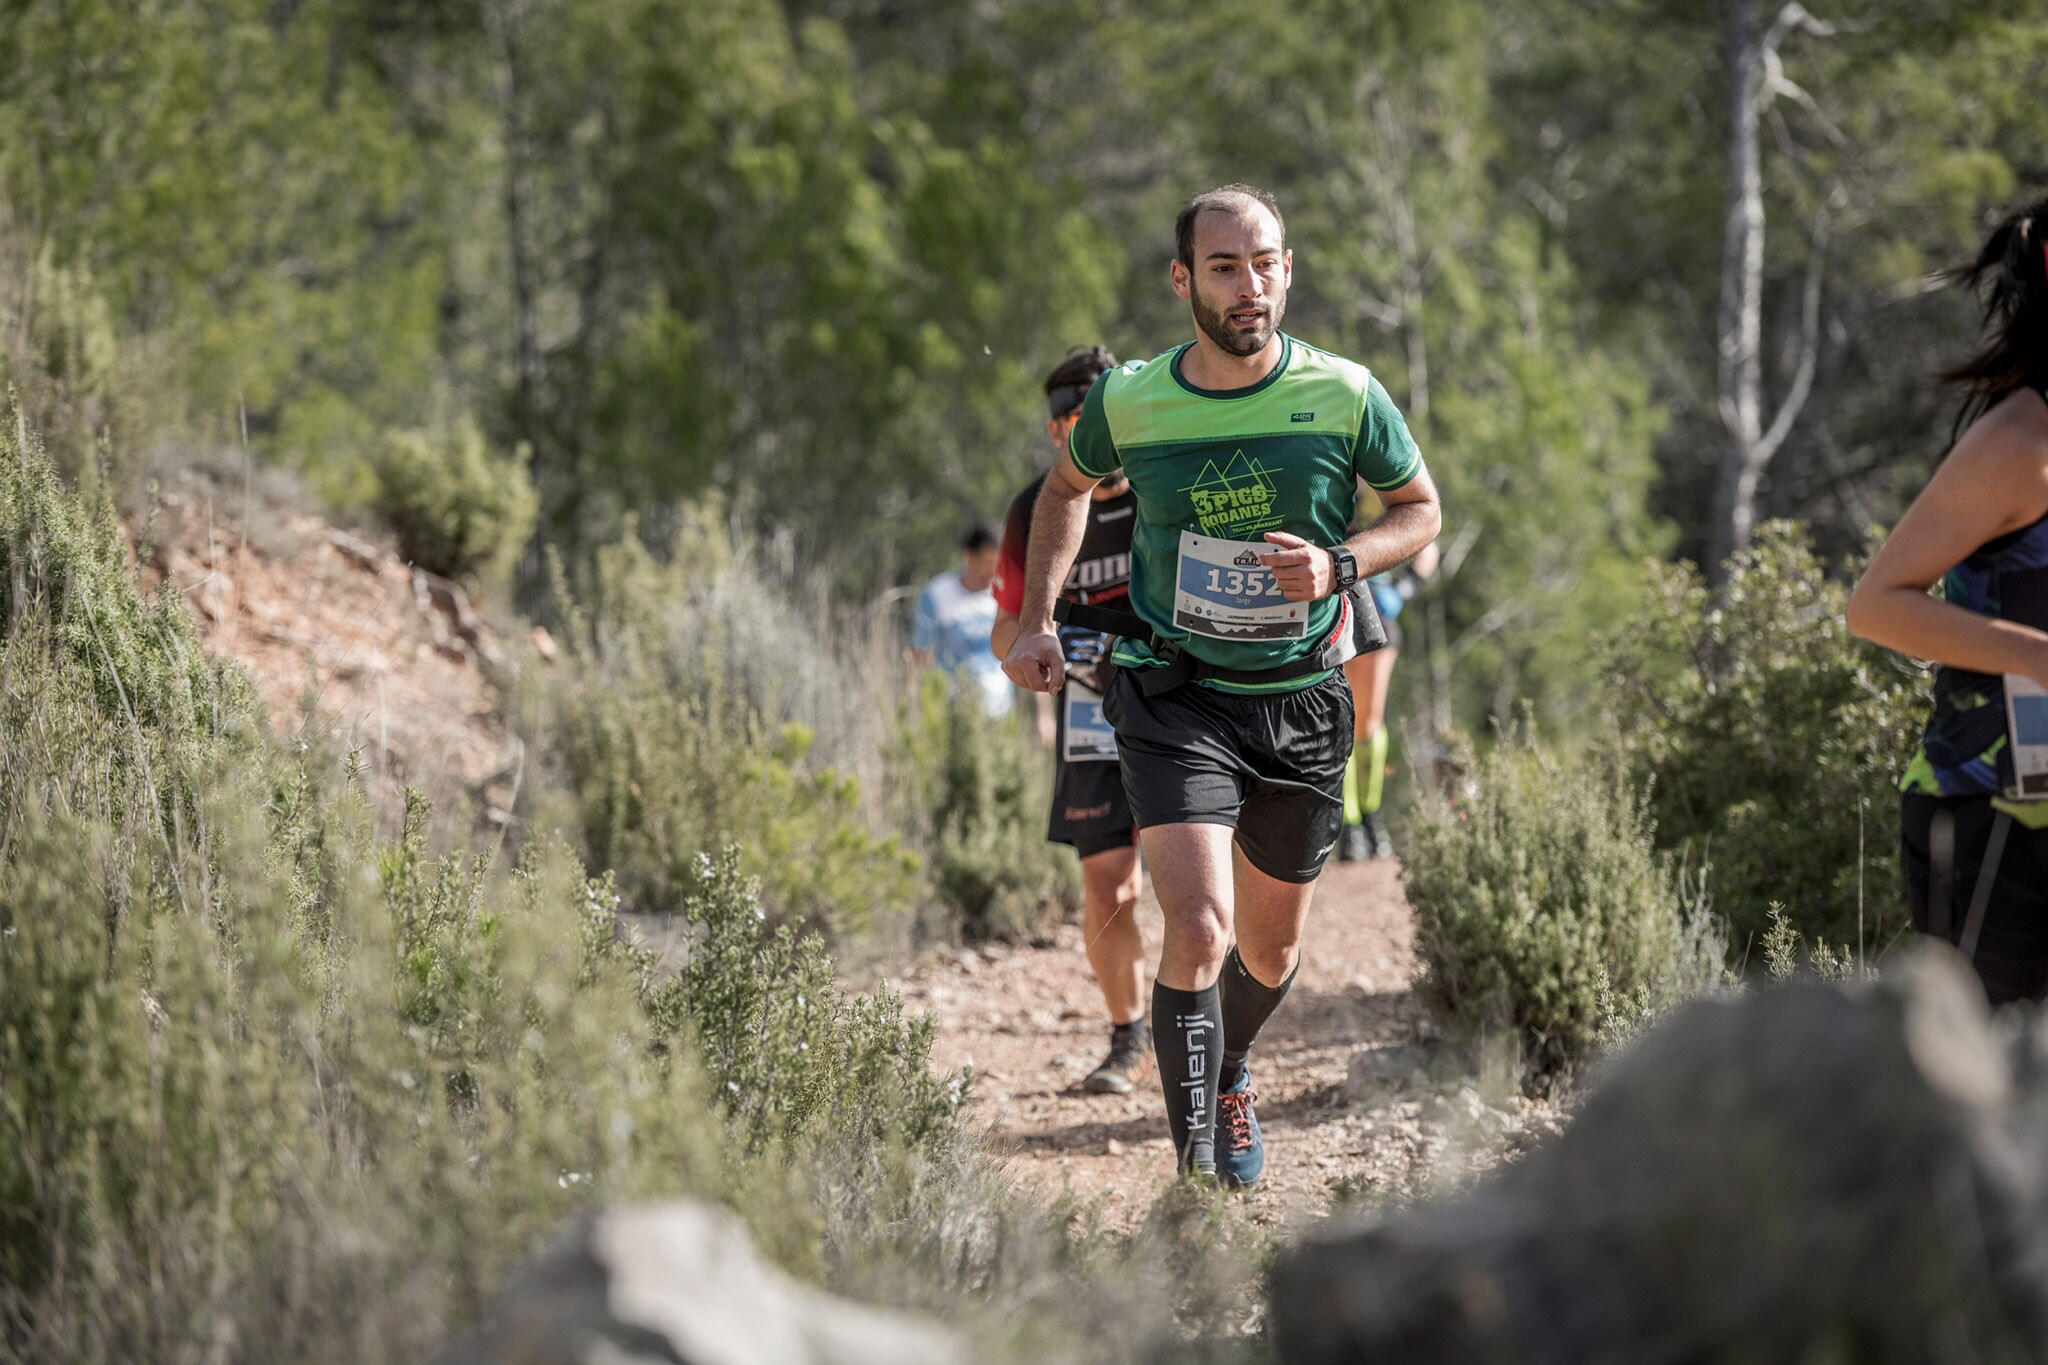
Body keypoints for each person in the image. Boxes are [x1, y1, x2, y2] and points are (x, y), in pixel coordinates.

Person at [1002, 184, 1441, 1185]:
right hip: (1174, 692)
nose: (1250, 287)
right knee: (1195, 929)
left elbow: (1418, 510)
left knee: (1269, 953)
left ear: (1289, 268)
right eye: (1224, 267)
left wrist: (1339, 564)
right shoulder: (1131, 399)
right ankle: (1198, 1166)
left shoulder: (1344, 392)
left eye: (1265, 263)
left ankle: (1230, 1059)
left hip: (1298, 698)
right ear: (1182, 280)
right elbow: (1063, 492)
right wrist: (1036, 619)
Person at [1849, 192, 2048, 1005]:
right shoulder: (2020, 444)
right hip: (1993, 824)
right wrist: (2035, 655)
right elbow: (1877, 604)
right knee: (1990, 1108)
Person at [991, 345, 1152, 1095]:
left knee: (1200, 876)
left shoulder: (1159, 482)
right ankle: (1130, 1033)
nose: (1079, 434)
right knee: (1107, 887)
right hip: (1089, 711)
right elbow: (1005, 626)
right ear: (1053, 434)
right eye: (1064, 425)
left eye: (1091, 418)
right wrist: (1032, 646)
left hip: (1175, 697)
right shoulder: (1035, 508)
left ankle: (1209, 1020)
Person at [1337, 537, 1440, 861]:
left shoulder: (1384, 488)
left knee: (1368, 724)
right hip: (1333, 611)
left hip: (1378, 614)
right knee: (1344, 723)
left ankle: (1371, 818)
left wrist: (1404, 588)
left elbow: (1427, 540)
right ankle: (1349, 826)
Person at [912, 524, 1012, 718]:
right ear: (969, 556)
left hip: (999, 709)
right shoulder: (937, 593)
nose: (992, 572)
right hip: (949, 706)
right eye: (988, 563)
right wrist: (921, 702)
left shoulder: (1006, 595)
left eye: (998, 565)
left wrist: (1043, 714)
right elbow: (920, 653)